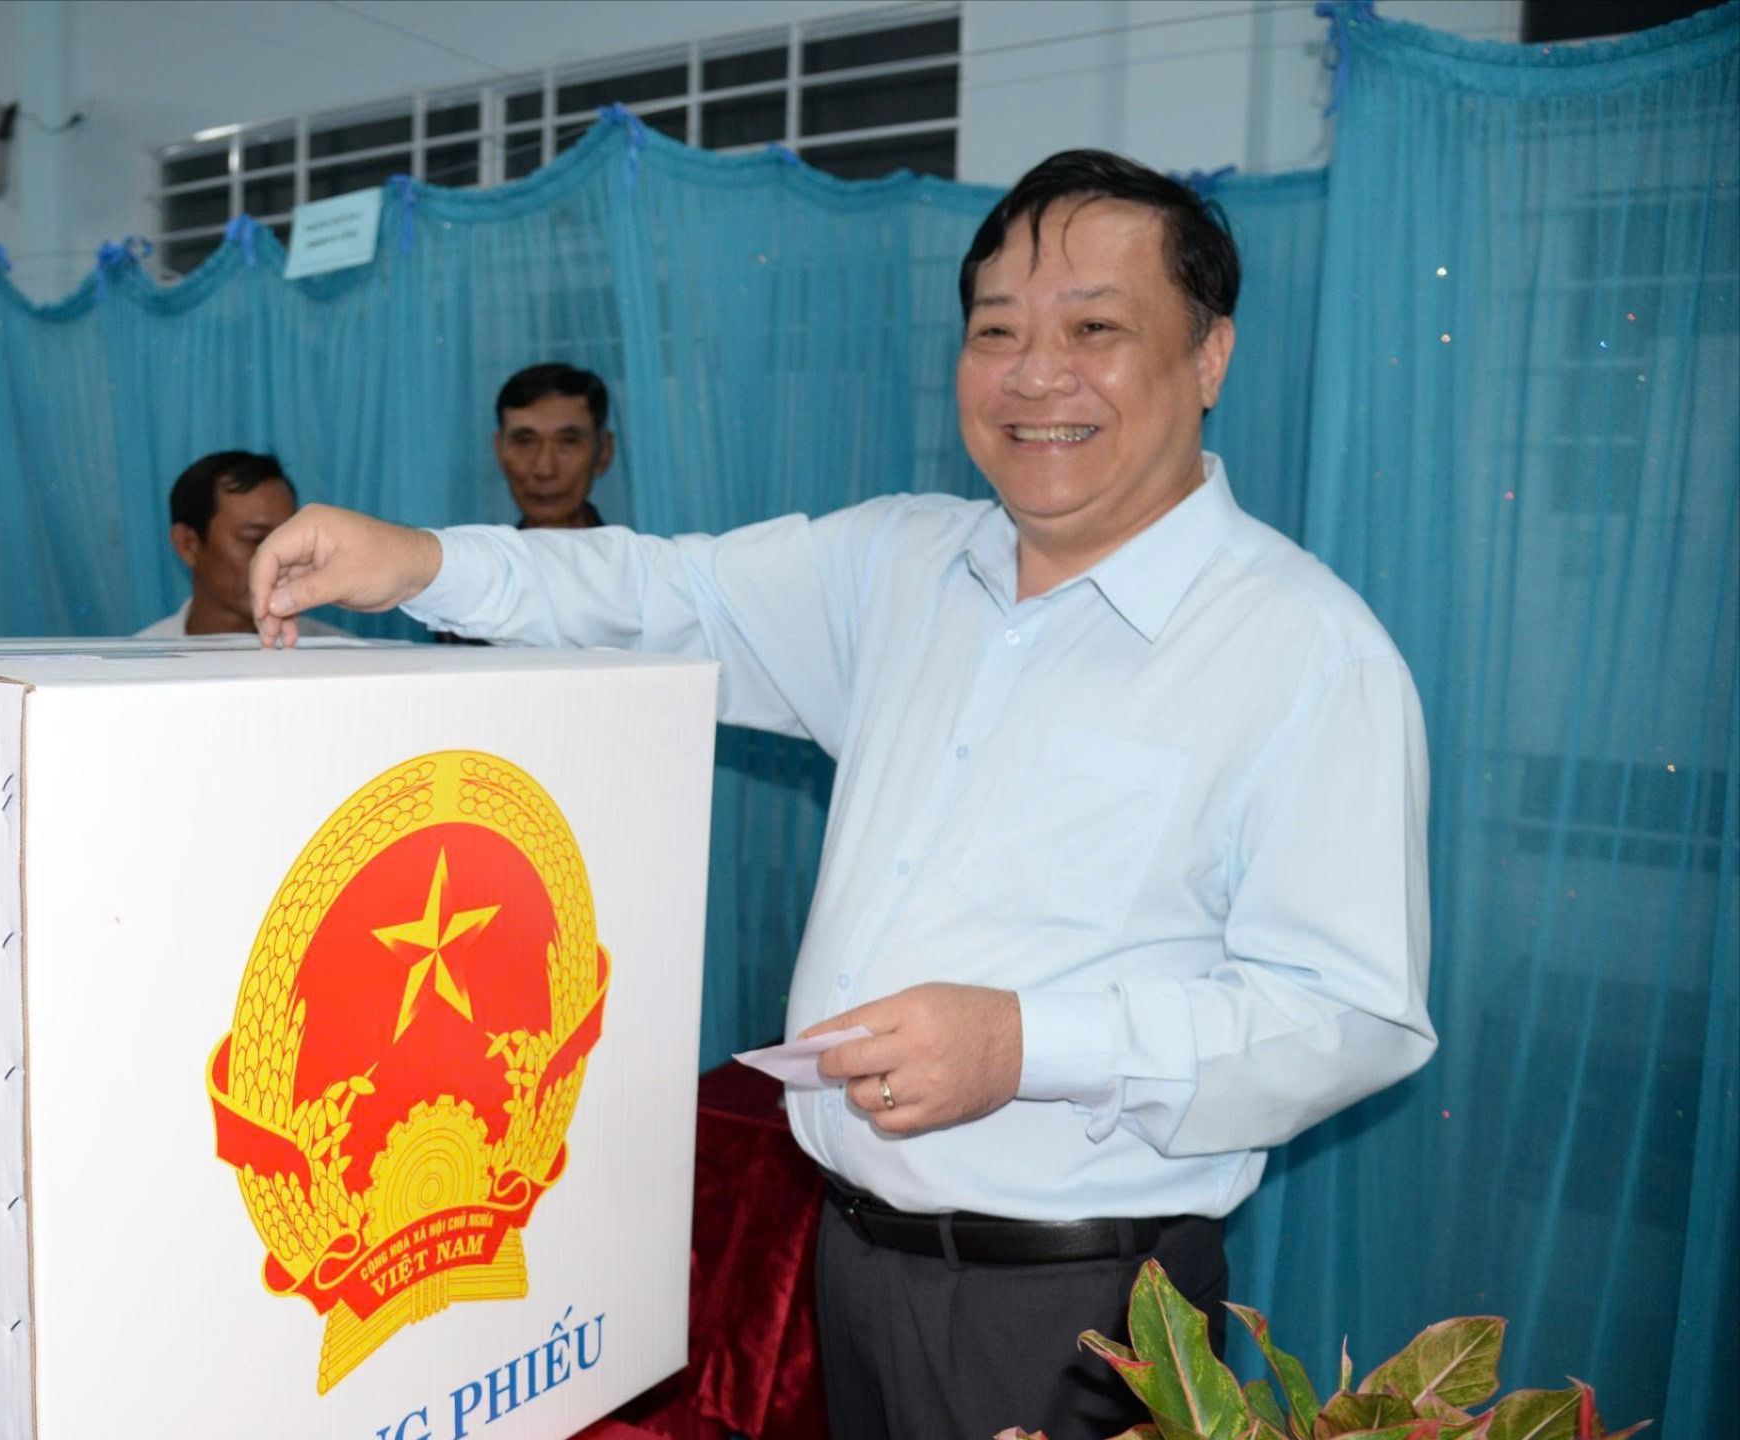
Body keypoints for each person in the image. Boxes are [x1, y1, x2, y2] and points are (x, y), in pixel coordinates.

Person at [245, 150, 1436, 1440]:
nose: (1035, 375)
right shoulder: (901, 564)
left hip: (1077, 1311)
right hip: (854, 1265)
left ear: (1208, 356)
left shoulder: (1303, 650)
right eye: (996, 332)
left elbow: (1351, 1016)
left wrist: (1025, 1044)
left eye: (1095, 329)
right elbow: (665, 593)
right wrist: (419, 563)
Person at [136, 451, 347, 640]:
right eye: (255, 539)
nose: (282, 559)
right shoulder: (139, 666)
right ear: (188, 544)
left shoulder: (341, 659)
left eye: (290, 540)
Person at [493, 362, 615, 529]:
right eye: (525, 442)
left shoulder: (637, 546)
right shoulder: (475, 546)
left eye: (568, 442)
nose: (545, 470)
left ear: (604, 452)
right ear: (500, 451)